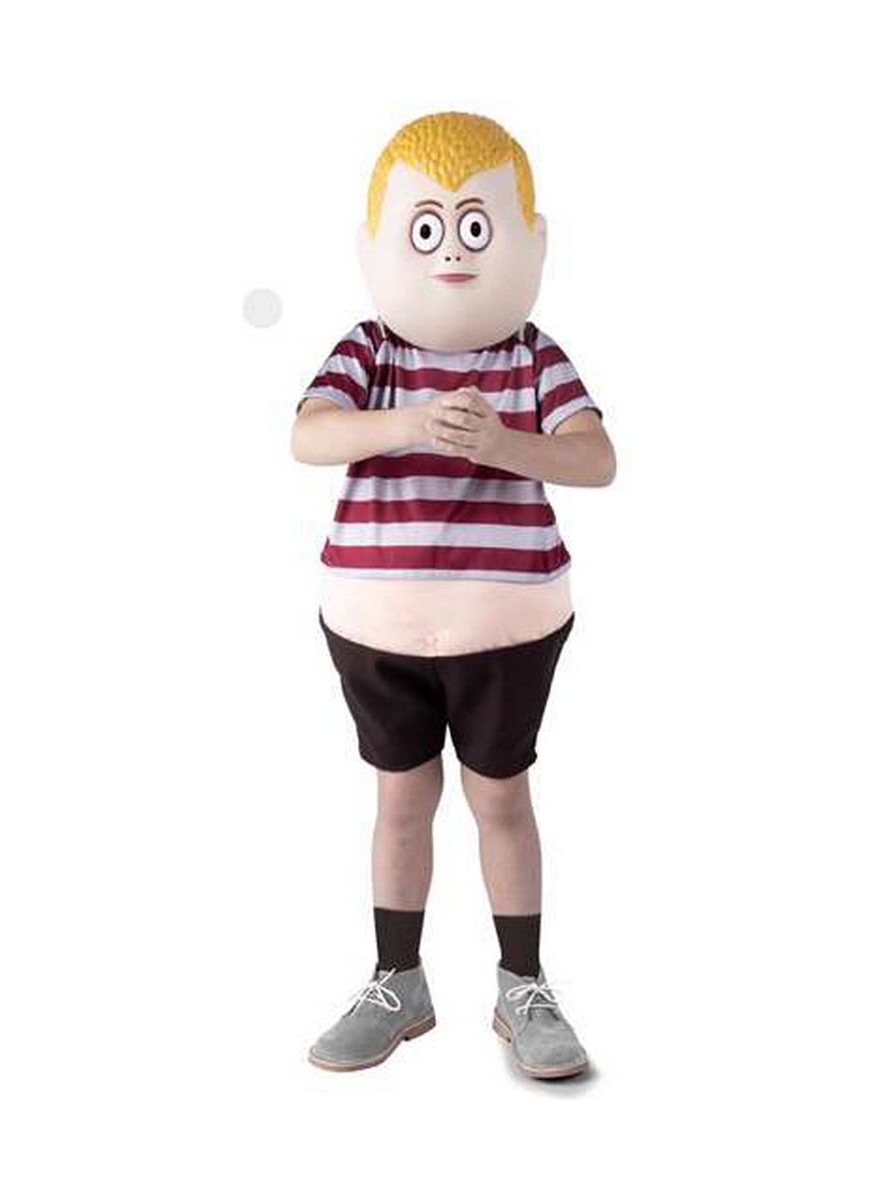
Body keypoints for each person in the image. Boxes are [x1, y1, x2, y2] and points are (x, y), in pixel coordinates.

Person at [291, 111, 616, 1079]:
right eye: (427, 229)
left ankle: (524, 985)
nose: (452, 254)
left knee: (499, 795)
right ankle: (398, 980)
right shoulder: (370, 350)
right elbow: (309, 434)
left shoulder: (531, 356)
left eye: (475, 228)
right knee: (401, 797)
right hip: (376, 624)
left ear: (529, 241)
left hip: (506, 628)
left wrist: (503, 444)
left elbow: (596, 458)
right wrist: (408, 424)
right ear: (377, 245)